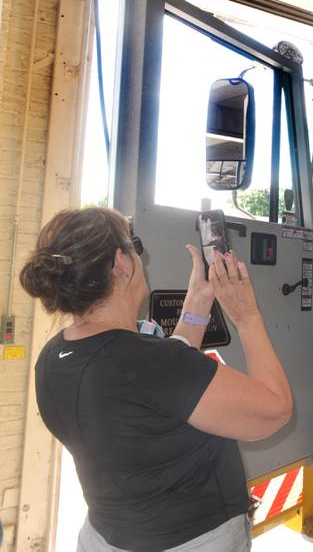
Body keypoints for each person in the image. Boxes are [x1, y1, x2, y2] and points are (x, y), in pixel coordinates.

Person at [19, 208, 292, 551]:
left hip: (105, 538)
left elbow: (162, 384)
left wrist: (199, 300)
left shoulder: (54, 357)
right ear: (120, 263)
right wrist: (246, 315)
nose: (138, 255)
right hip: (194, 541)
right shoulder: (149, 363)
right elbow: (275, 409)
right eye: (134, 246)